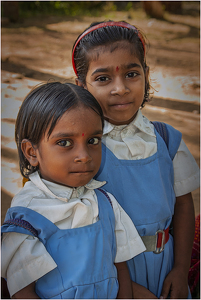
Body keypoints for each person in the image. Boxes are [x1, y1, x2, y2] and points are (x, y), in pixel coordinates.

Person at [72, 21, 200, 299]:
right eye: (103, 78)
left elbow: (183, 204)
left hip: (166, 265)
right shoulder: (83, 149)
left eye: (131, 73)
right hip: (110, 274)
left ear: (146, 74)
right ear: (81, 85)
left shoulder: (167, 140)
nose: (121, 89)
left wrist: (180, 269)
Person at [1, 82, 146, 299]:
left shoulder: (105, 203)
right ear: (32, 152)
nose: (84, 155)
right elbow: (22, 292)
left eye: (93, 141)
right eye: (65, 142)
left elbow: (120, 271)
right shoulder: (27, 217)